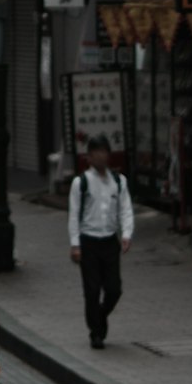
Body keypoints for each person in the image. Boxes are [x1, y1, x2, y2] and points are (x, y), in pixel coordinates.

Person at [67, 135, 134, 350]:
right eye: (96, 152)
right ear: (89, 157)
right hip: (89, 242)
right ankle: (96, 332)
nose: (101, 156)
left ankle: (101, 316)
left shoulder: (118, 181)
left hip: (109, 241)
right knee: (92, 290)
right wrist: (75, 244)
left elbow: (125, 209)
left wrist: (126, 235)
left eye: (104, 151)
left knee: (114, 289)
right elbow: (74, 214)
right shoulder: (81, 183)